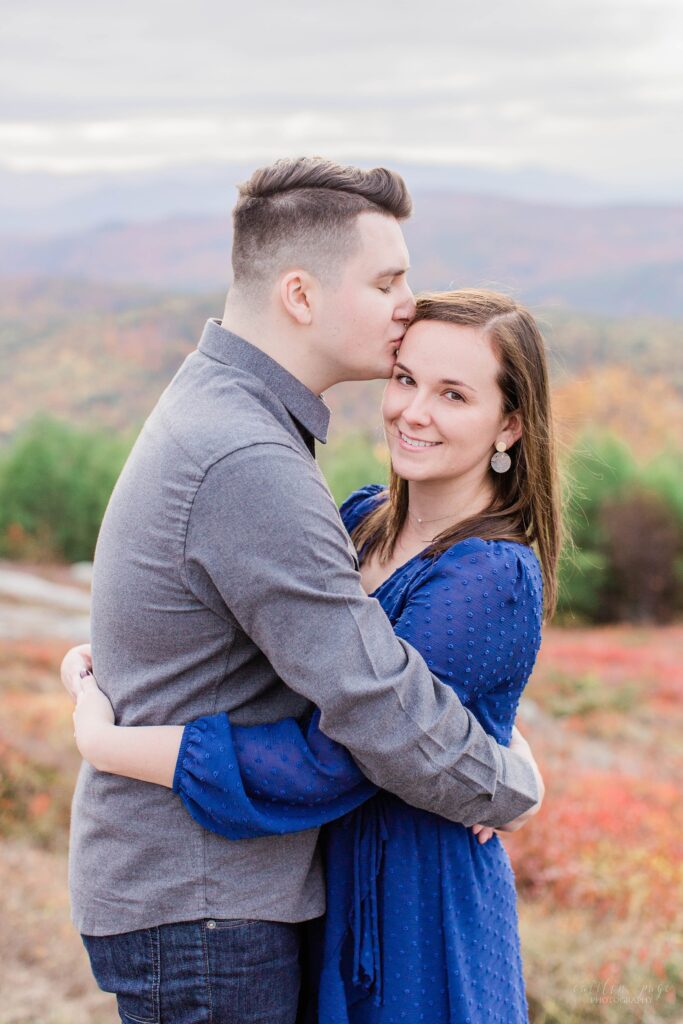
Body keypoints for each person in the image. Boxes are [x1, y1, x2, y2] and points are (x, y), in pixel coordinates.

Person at [61, 159, 544, 1024]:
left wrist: (502, 738)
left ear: (508, 424)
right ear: (299, 294)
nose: (406, 304)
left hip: (245, 893)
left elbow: (401, 664)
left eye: (453, 392)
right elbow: (372, 704)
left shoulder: (222, 409)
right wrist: (504, 785)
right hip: (206, 900)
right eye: (387, 279)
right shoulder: (253, 458)